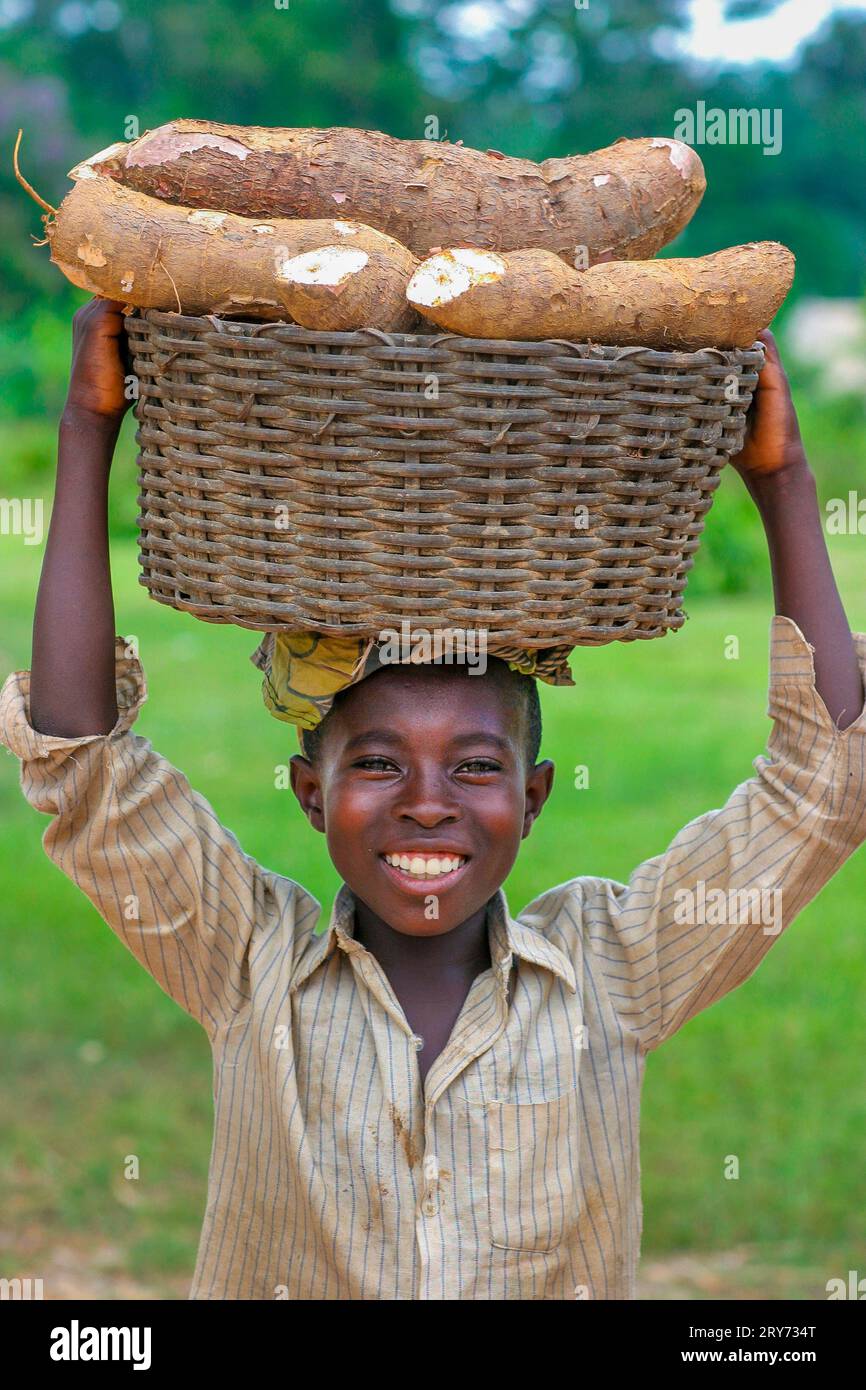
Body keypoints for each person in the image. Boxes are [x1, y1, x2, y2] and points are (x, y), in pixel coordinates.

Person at [1, 297, 864, 1301]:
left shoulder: (611, 969)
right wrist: (87, 431)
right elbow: (82, 763)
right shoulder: (242, 957)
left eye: (474, 766)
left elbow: (823, 790)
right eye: (376, 765)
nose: (425, 803)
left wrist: (781, 481)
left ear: (534, 795)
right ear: (309, 794)